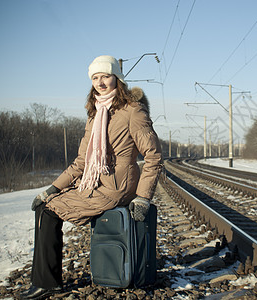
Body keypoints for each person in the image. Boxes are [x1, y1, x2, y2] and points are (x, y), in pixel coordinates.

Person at [20, 55, 163, 299]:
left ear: (117, 78)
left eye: (106, 76)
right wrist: (52, 189)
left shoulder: (133, 111)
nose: (101, 82)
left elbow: (153, 156)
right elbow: (82, 162)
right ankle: (46, 279)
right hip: (96, 181)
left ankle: (46, 283)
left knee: (47, 212)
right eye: (95, 78)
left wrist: (142, 197)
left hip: (118, 186)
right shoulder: (95, 113)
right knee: (45, 205)